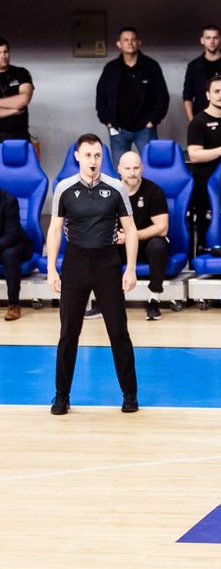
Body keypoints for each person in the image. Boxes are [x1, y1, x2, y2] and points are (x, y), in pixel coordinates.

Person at [46, 133, 139, 415]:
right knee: (68, 333)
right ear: (77, 156)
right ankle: (61, 395)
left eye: (97, 155)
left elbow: (131, 229)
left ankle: (130, 395)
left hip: (107, 263)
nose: (93, 160)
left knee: (118, 331)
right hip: (75, 263)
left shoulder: (115, 188)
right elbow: (54, 229)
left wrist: (131, 268)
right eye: (88, 155)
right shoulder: (64, 188)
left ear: (103, 158)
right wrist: (51, 268)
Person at [116, 151, 177, 321]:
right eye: (128, 168)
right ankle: (103, 301)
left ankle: (154, 301)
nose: (132, 172)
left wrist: (131, 236)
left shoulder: (153, 191)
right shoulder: (111, 192)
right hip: (120, 243)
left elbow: (162, 228)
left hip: (146, 243)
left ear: (142, 168)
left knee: (159, 245)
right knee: (101, 244)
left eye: (136, 168)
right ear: (119, 169)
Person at [95, 27, 169, 165]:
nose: (130, 43)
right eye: (126, 40)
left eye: (133, 39)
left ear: (139, 43)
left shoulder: (151, 66)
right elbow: (101, 96)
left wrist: (152, 121)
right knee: (120, 171)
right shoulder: (111, 68)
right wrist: (108, 122)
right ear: (119, 44)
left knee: (151, 168)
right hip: (118, 129)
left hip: (146, 129)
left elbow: (162, 96)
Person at [187, 75, 221, 255]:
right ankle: (202, 258)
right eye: (217, 91)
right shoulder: (198, 122)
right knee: (207, 222)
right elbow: (194, 155)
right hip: (205, 183)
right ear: (208, 95)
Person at [1, 187, 33, 320]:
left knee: (10, 254)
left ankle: (14, 305)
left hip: (15, 244)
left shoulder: (9, 200)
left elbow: (12, 234)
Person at [0, 38, 35, 142]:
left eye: (5, 52)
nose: (3, 56)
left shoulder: (21, 73)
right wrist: (13, 110)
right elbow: (18, 105)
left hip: (19, 136)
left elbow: (24, 100)